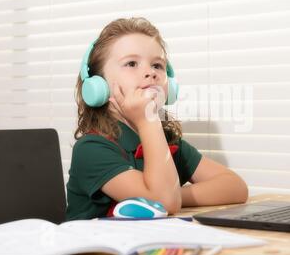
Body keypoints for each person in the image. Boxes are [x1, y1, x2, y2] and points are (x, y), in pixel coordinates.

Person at [66, 17, 248, 220]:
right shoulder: (92, 149)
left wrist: (175, 194)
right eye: (132, 63)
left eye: (157, 65)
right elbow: (164, 202)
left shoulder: (166, 141)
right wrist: (147, 119)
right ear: (99, 85)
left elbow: (235, 187)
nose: (150, 73)